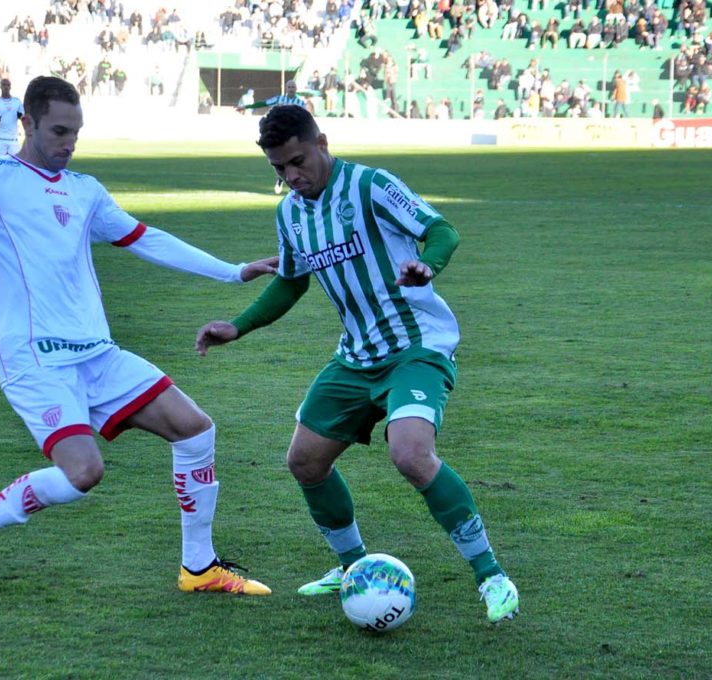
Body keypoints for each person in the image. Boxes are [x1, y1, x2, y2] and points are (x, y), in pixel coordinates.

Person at [0, 76, 277, 606]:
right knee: (82, 473)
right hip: (35, 360)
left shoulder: (85, 190)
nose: (69, 143)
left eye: (76, 132)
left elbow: (146, 239)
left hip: (97, 354)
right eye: (58, 131)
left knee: (195, 431)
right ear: (26, 124)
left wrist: (232, 273)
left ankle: (199, 567)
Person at [194, 105, 520, 624]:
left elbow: (441, 230)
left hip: (416, 345)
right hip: (356, 355)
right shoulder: (291, 213)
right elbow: (291, 279)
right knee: (304, 461)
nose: (291, 176)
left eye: (298, 161)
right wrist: (240, 325)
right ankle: (352, 569)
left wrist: (425, 265)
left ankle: (492, 576)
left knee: (411, 454)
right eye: (279, 169)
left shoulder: (370, 186)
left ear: (321, 141)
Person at [235, 80, 311, 194]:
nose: (291, 88)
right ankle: (281, 179)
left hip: (293, 135)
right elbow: (263, 103)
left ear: (296, 89)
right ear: (286, 88)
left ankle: (290, 183)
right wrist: (246, 107)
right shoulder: (279, 99)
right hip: (279, 134)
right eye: (289, 86)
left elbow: (306, 119)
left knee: (293, 160)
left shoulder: (300, 103)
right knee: (281, 159)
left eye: (293, 87)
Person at [0, 78, 24, 155]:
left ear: (10, 87)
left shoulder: (17, 101)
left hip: (13, 140)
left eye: (8, 85)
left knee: (15, 164)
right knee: (0, 164)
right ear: (0, 87)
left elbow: (23, 116)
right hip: (0, 139)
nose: (6, 87)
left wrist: (20, 116)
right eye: (4, 85)